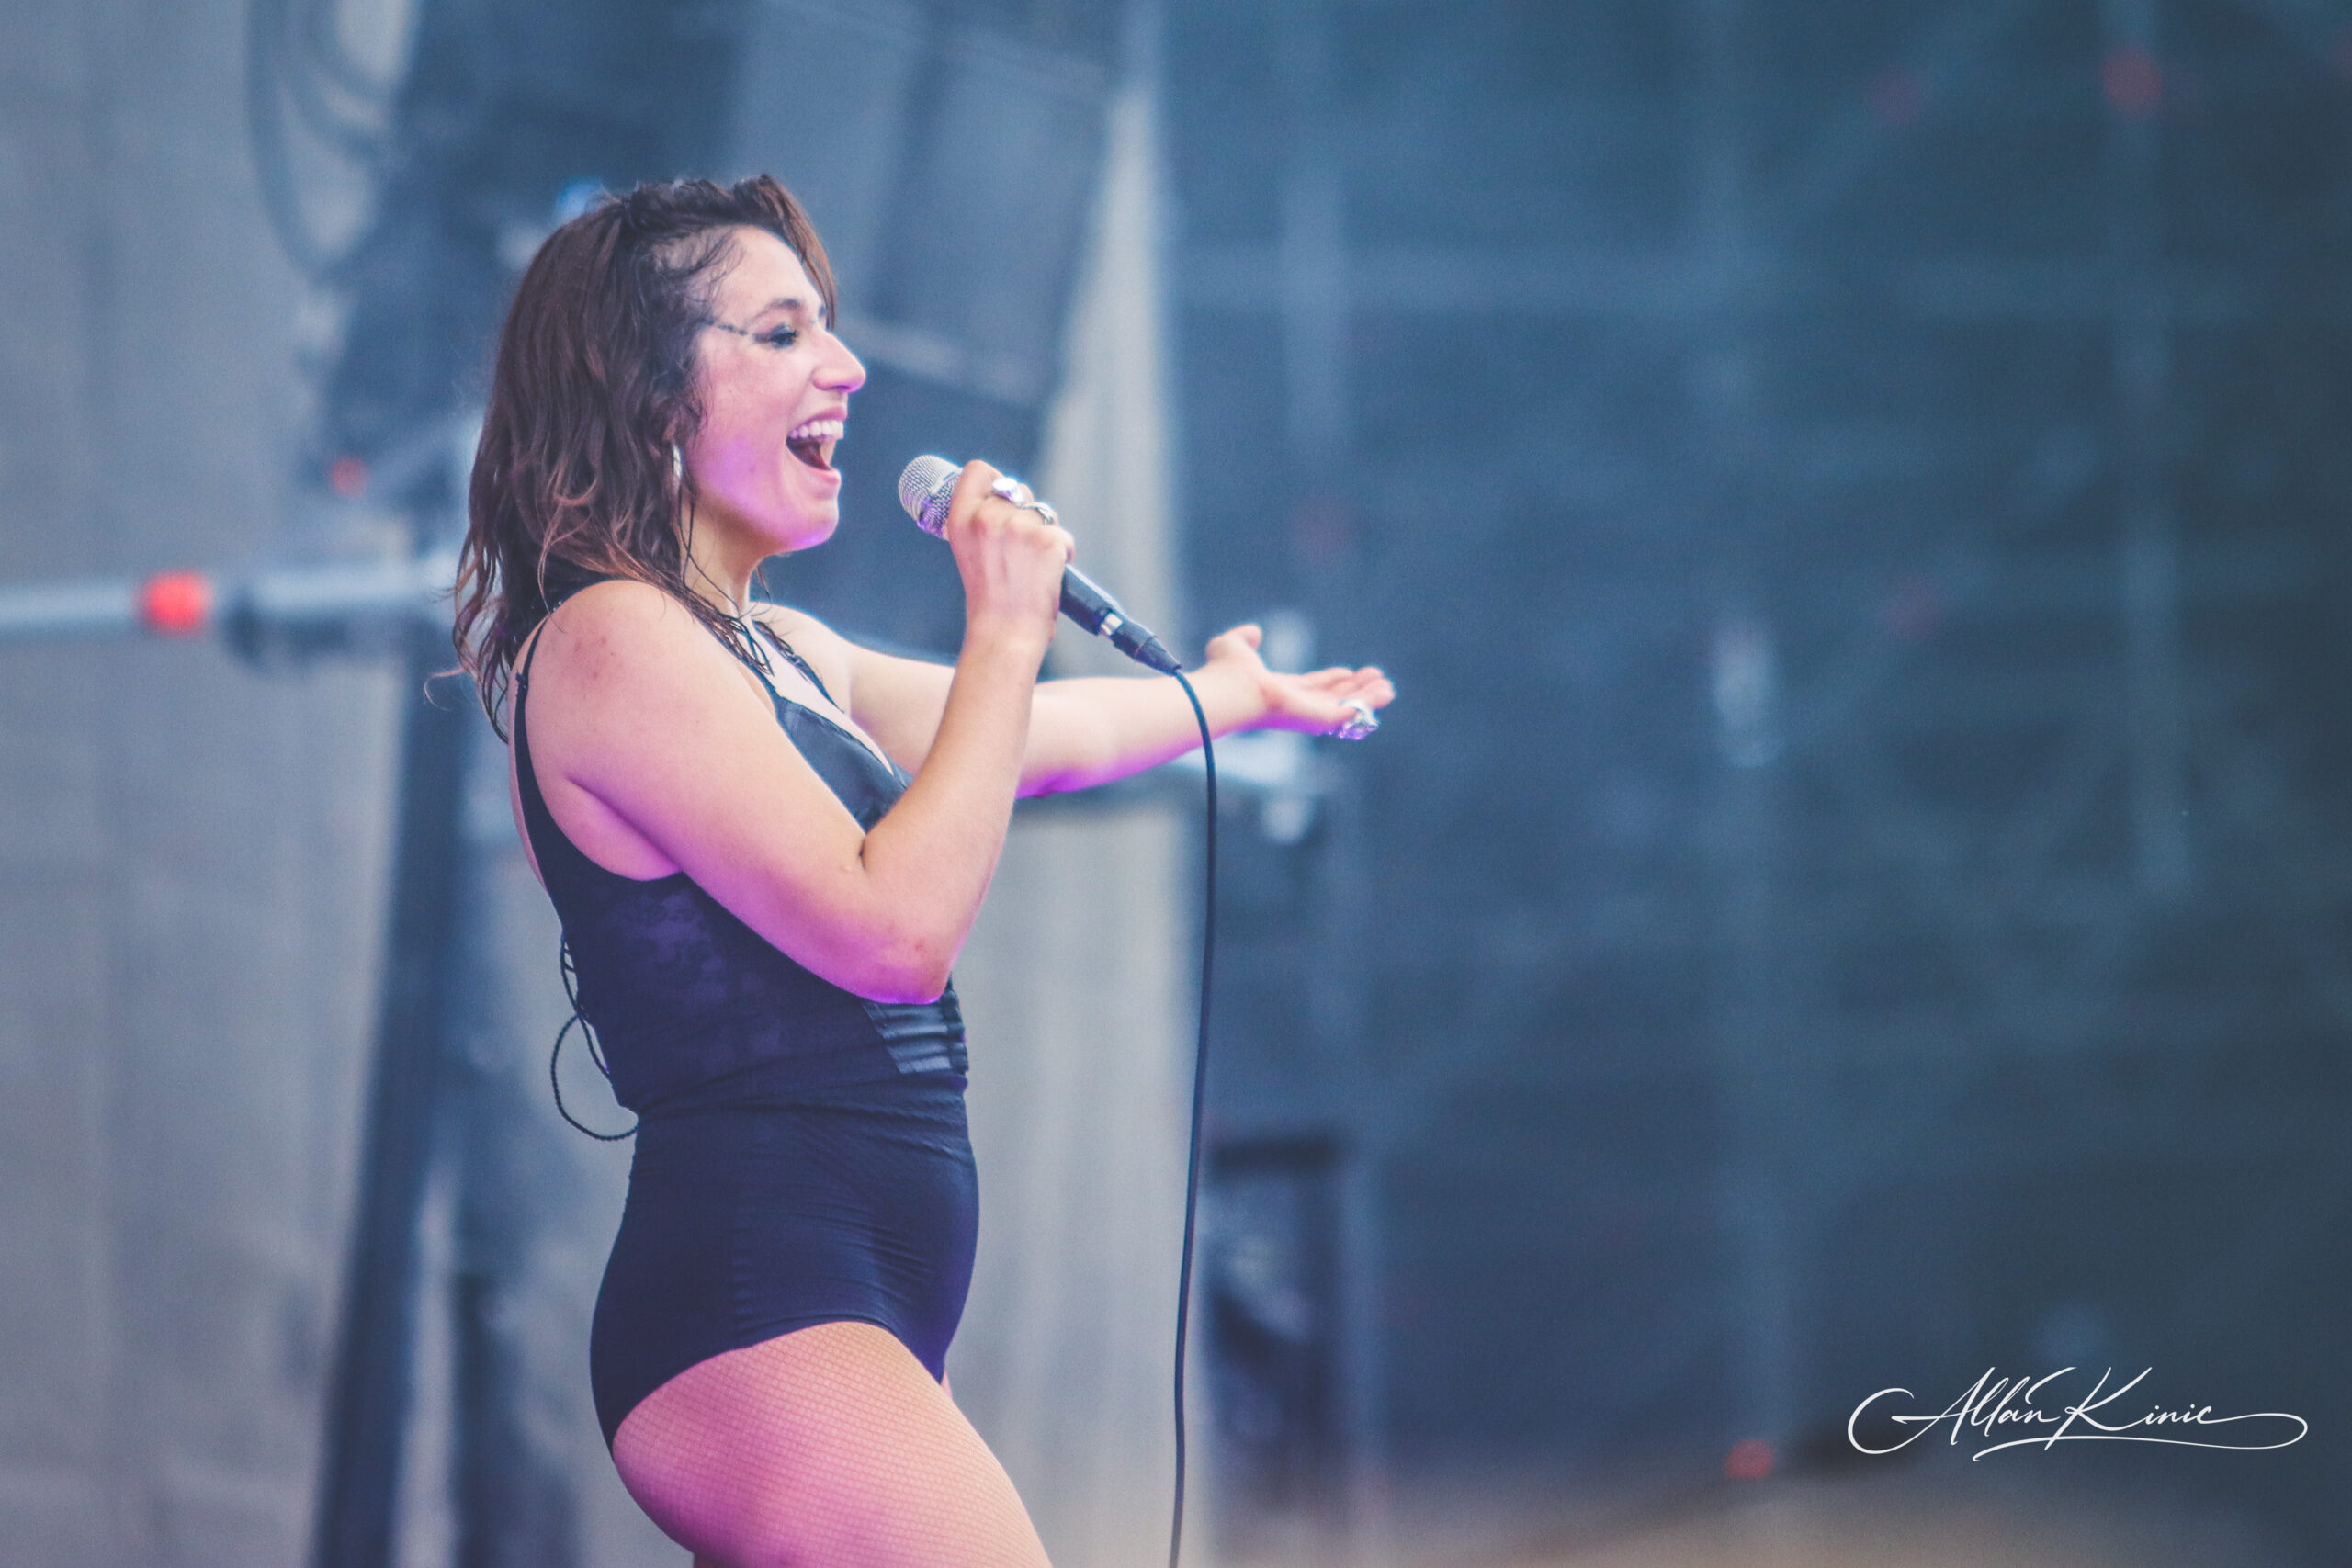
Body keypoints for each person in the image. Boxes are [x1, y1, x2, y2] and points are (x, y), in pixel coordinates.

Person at [452, 175, 1394, 1568]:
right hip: (759, 1302)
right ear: (646, 391)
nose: (845, 367)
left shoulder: (779, 652)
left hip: (847, 1303)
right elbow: (893, 936)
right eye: (781, 333)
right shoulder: (611, 640)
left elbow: (1030, 743)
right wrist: (1006, 628)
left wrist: (1225, 696)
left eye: (828, 327)